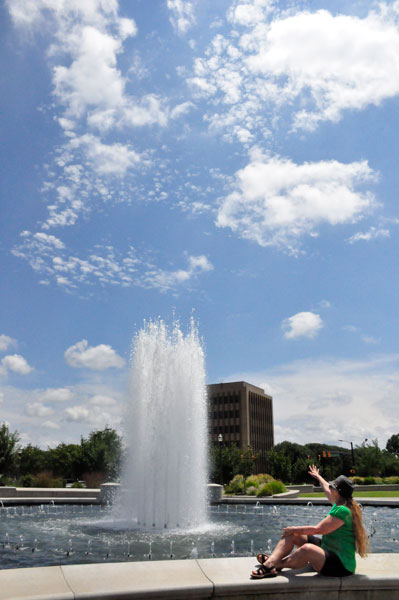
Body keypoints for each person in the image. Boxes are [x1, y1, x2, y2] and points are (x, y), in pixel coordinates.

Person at [251, 465, 369, 579]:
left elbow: (318, 529)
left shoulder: (343, 511)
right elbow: (325, 487)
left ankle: (274, 565)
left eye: (332, 486)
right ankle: (272, 561)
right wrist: (318, 476)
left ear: (337, 492)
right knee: (294, 535)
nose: (330, 488)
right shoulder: (340, 503)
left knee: (307, 548)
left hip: (340, 566)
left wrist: (292, 528)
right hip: (328, 550)